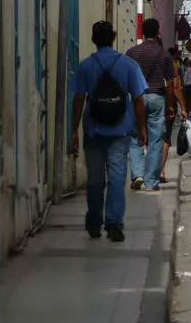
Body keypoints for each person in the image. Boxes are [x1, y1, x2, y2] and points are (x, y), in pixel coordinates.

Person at [70, 21, 148, 242]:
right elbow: (139, 99)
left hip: (94, 131)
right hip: (120, 131)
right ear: (113, 38)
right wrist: (142, 128)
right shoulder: (129, 65)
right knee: (116, 178)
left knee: (95, 180)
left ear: (94, 40)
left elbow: (78, 100)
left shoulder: (86, 66)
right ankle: (114, 223)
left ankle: (94, 221)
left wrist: (74, 131)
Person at [126, 19, 175, 192]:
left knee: (135, 137)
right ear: (157, 32)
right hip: (156, 98)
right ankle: (151, 181)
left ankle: (137, 174)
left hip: (136, 97)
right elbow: (170, 83)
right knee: (155, 140)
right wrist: (170, 105)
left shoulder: (131, 53)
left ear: (143, 32)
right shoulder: (164, 55)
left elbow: (126, 78)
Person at [161, 49, 187, 185]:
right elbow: (175, 87)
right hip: (165, 103)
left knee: (150, 139)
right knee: (165, 139)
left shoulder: (142, 58)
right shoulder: (170, 63)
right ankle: (160, 171)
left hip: (144, 100)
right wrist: (182, 107)